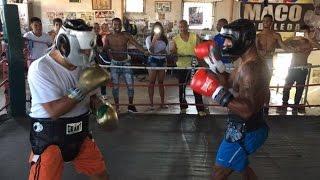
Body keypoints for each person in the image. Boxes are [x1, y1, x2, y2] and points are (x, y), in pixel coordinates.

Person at [27, 19, 109, 180]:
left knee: (100, 175)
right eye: (82, 50)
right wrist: (83, 87)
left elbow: (92, 96)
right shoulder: (41, 68)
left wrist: (101, 107)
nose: (87, 54)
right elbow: (54, 111)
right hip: (49, 136)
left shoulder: (85, 64)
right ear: (64, 45)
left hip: (80, 133)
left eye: (89, 50)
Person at [191, 19, 271, 179]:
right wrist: (216, 65)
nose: (225, 44)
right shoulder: (245, 62)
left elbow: (247, 110)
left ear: (246, 39)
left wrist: (215, 92)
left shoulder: (251, 68)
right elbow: (231, 84)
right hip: (241, 128)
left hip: (245, 132)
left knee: (218, 174)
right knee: (242, 167)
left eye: (229, 39)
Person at [103, 18, 148, 112]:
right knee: (115, 87)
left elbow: (136, 44)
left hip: (126, 62)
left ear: (121, 25)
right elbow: (105, 49)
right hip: (114, 64)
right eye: (115, 24)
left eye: (119, 24)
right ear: (112, 25)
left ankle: (131, 106)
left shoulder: (126, 35)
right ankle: (117, 107)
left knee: (130, 85)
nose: (117, 26)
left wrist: (144, 51)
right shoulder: (108, 37)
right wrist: (98, 49)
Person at [277, 25, 320, 114]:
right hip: (292, 68)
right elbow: (282, 44)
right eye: (301, 32)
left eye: (304, 32)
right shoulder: (295, 41)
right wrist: (292, 37)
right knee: (286, 87)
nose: (302, 34)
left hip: (302, 69)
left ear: (308, 33)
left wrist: (308, 37)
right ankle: (284, 104)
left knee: (299, 88)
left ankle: (296, 106)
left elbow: (318, 46)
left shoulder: (310, 42)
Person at [171, 20, 206, 116]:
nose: (182, 28)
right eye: (180, 27)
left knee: (196, 87)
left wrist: (203, 64)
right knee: (181, 87)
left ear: (187, 26)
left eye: (184, 26)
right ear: (178, 28)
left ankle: (200, 109)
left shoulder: (195, 36)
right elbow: (173, 52)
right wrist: (173, 53)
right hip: (181, 66)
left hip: (194, 65)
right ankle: (183, 107)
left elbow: (200, 50)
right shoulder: (175, 39)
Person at [145, 22, 169, 110]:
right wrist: (154, 40)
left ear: (162, 29)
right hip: (153, 61)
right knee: (151, 82)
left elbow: (167, 52)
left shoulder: (165, 39)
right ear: (153, 29)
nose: (157, 30)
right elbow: (150, 51)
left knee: (161, 83)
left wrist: (160, 52)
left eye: (159, 28)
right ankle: (151, 104)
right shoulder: (149, 38)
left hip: (162, 61)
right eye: (156, 28)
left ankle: (162, 103)